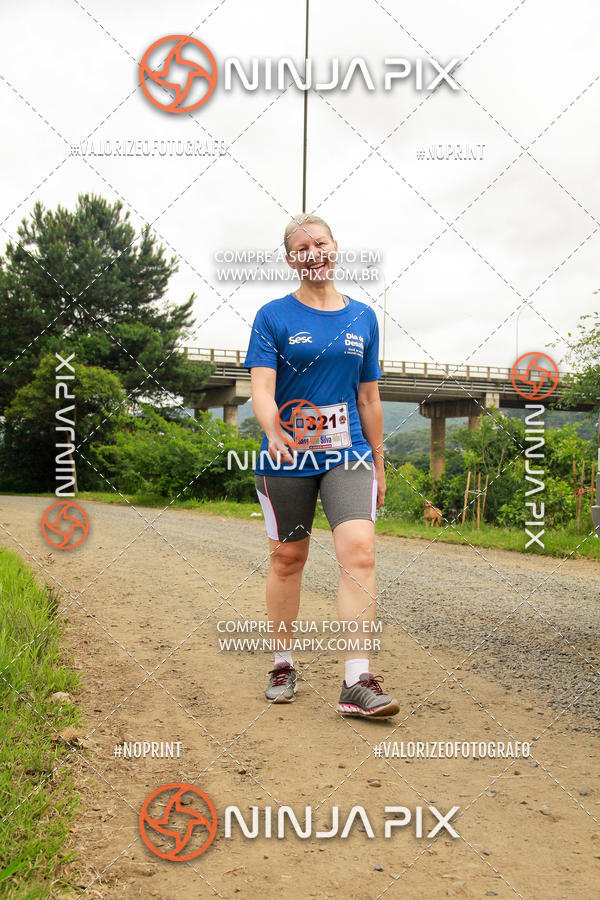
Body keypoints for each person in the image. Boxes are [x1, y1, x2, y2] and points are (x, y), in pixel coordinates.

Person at [244, 213, 399, 718]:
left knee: (360, 551)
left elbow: (370, 397)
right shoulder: (273, 316)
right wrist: (272, 430)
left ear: (335, 247)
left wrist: (377, 461)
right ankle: (282, 662)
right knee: (288, 559)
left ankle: (357, 679)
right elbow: (261, 391)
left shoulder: (364, 319)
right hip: (287, 456)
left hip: (348, 453)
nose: (313, 251)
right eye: (302, 246)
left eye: (321, 242)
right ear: (292, 259)